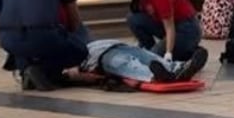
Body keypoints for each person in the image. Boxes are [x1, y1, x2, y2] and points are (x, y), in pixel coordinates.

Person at [123, 0, 202, 62]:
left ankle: (190, 53)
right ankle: (153, 50)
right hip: (170, 25)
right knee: (133, 19)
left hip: (187, 29)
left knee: (152, 60)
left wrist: (168, 53)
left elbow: (170, 27)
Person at [67, 39, 209, 86]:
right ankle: (159, 74)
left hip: (110, 46)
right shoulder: (65, 61)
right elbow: (71, 74)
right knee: (128, 63)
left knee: (144, 56)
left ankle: (177, 68)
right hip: (99, 57)